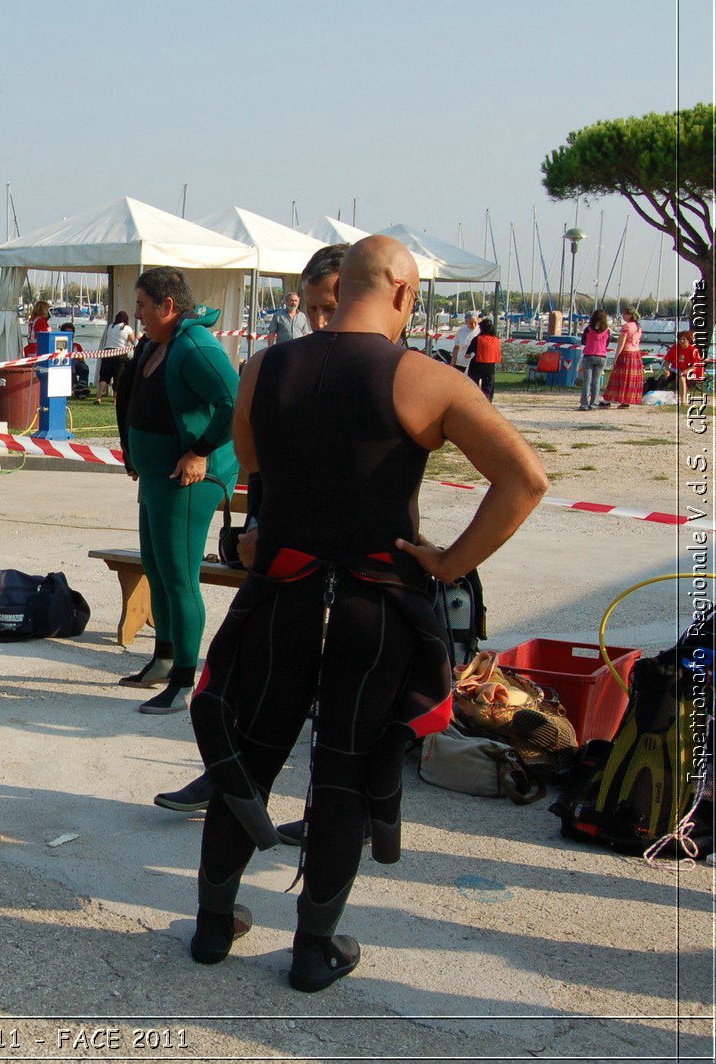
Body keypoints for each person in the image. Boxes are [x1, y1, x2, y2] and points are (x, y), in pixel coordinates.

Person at [184, 235, 546, 992]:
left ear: (338, 285)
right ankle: (313, 950)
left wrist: (267, 532)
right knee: (344, 770)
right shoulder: (426, 379)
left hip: (281, 596)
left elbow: (255, 468)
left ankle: (213, 927)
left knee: (250, 754)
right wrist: (449, 561)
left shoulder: (262, 369)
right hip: (372, 607)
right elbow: (525, 480)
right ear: (405, 296)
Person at [154, 242, 348, 814]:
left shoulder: (392, 371)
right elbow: (262, 455)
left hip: (348, 561)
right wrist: (259, 521)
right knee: (238, 670)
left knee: (337, 696)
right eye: (311, 309)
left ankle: (338, 817)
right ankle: (228, 780)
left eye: (329, 310)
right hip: (280, 547)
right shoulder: (289, 366)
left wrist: (447, 561)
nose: (316, 323)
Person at [113, 267, 238, 714]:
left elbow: (233, 403)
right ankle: (164, 658)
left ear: (168, 305)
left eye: (144, 304)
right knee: (156, 566)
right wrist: (136, 456)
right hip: (156, 476)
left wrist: (200, 452)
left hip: (188, 480)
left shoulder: (196, 347)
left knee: (180, 576)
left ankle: (187, 680)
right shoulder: (157, 343)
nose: (138, 313)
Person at [602, 306, 645, 409]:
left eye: (625, 314)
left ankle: (608, 399)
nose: (623, 316)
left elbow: (621, 343)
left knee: (618, 378)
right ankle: (627, 401)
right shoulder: (638, 326)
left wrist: (616, 357)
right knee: (630, 379)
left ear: (630, 315)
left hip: (626, 354)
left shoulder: (626, 327)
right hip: (636, 354)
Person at [96, 311, 136, 403]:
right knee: (118, 377)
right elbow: (134, 342)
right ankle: (115, 400)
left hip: (107, 352)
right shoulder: (127, 328)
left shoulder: (111, 326)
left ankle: (98, 397)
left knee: (104, 376)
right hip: (120, 353)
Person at [660, 329, 706, 403]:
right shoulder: (675, 348)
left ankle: (683, 400)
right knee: (663, 379)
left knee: (682, 378)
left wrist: (685, 371)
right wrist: (667, 370)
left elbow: (694, 366)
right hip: (675, 370)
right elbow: (667, 361)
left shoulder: (693, 350)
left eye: (684, 339)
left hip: (690, 371)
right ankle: (659, 397)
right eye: (680, 339)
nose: (682, 341)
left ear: (688, 340)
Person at [579, 310, 612, 410]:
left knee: (587, 382)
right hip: (601, 357)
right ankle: (594, 404)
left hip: (589, 355)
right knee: (596, 382)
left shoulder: (588, 329)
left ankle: (584, 404)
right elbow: (607, 344)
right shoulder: (607, 331)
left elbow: (583, 341)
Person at [466, 318, 501, 401]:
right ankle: (487, 405)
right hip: (490, 368)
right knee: (488, 390)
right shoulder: (496, 340)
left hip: (476, 366)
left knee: (474, 387)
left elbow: (467, 355)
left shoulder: (477, 339)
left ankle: (474, 403)